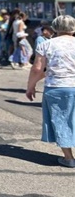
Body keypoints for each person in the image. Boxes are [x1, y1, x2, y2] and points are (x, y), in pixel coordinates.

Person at [26, 15, 75, 168]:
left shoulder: (47, 45)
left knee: (61, 120)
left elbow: (37, 69)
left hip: (56, 86)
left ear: (54, 28)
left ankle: (69, 158)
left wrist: (31, 86)